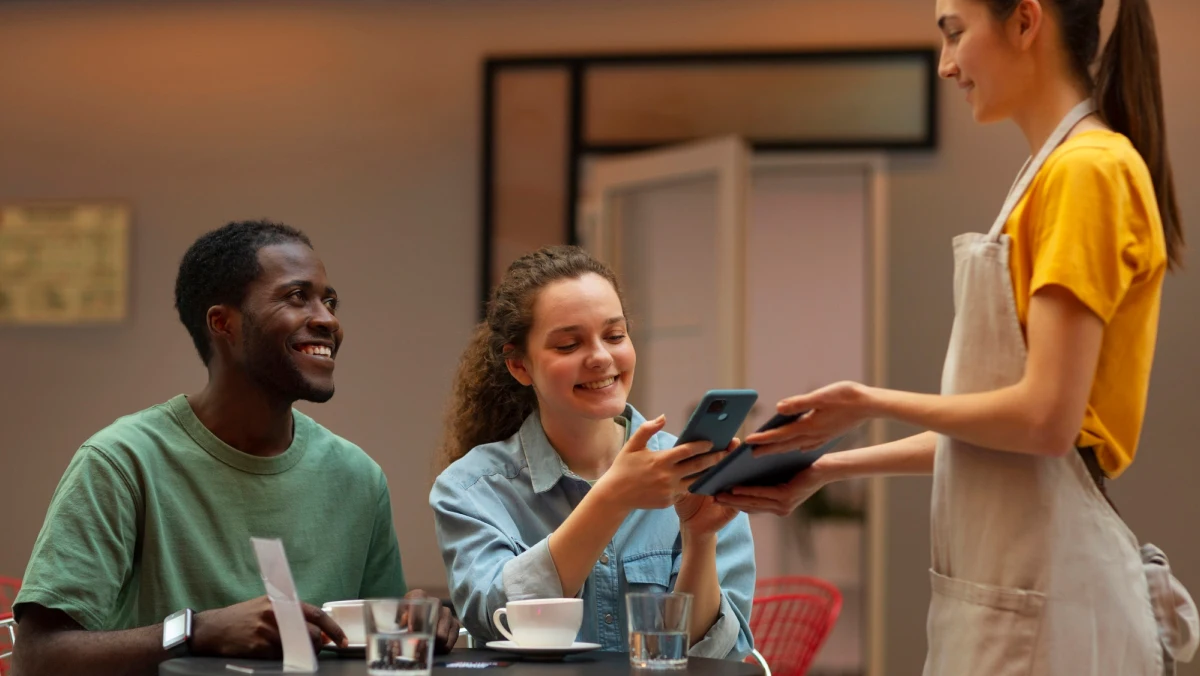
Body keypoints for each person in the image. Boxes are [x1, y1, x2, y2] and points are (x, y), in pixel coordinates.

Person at [718, 0, 1200, 673]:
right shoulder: (1048, 175)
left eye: (954, 34)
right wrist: (827, 467)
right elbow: (999, 434)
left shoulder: (1087, 170)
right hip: (1022, 588)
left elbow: (1045, 423)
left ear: (1026, 21)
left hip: (1054, 595)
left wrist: (869, 402)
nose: (946, 66)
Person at [11, 220, 459, 676]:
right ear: (223, 323)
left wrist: (416, 621)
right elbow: (37, 657)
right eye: (296, 296)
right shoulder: (122, 462)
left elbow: (379, 654)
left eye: (329, 301)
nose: (328, 319)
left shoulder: (357, 477)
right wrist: (194, 631)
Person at [429, 246, 755, 659]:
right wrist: (611, 497)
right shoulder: (471, 488)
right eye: (568, 344)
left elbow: (712, 655)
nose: (601, 357)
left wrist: (700, 536)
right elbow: (496, 618)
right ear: (520, 366)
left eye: (615, 335)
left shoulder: (695, 471)